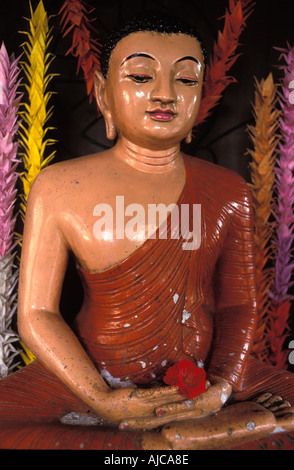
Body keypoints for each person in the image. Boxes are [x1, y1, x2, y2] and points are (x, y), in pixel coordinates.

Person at [0, 12, 293, 450]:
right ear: (102, 94)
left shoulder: (228, 191)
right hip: (90, 379)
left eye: (187, 80)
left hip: (207, 377)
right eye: (140, 75)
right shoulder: (58, 187)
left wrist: (222, 385)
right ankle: (183, 440)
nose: (164, 94)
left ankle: (182, 435)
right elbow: (37, 314)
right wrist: (100, 397)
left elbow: (238, 304)